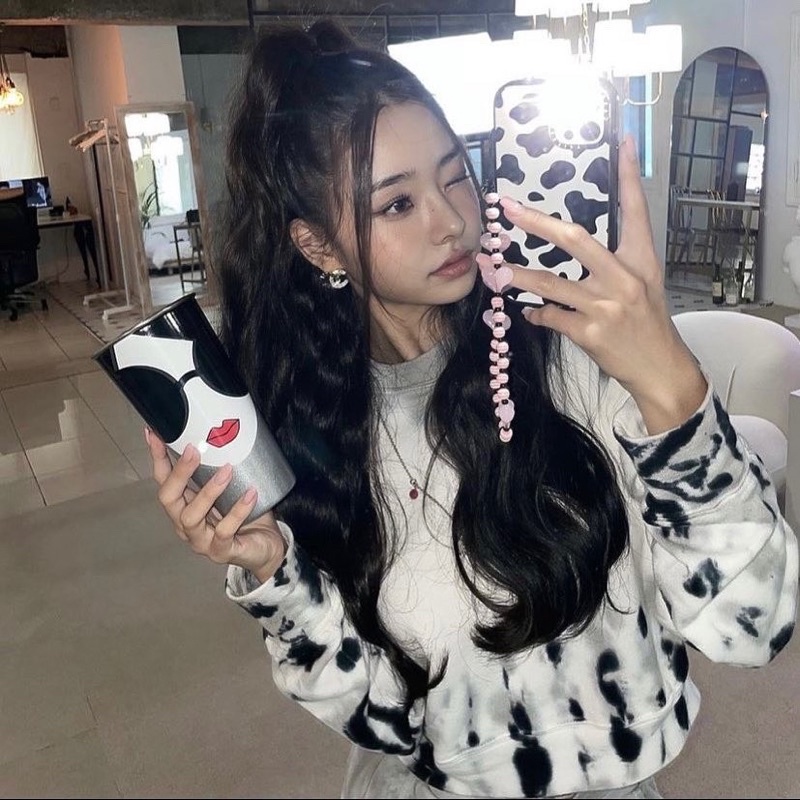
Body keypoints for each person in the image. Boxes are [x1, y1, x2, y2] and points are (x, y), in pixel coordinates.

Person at [144, 19, 798, 799]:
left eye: (457, 175)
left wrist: (673, 386)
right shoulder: (321, 429)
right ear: (317, 246)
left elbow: (756, 624)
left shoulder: (574, 353)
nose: (452, 219)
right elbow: (383, 718)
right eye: (397, 204)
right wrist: (272, 571)